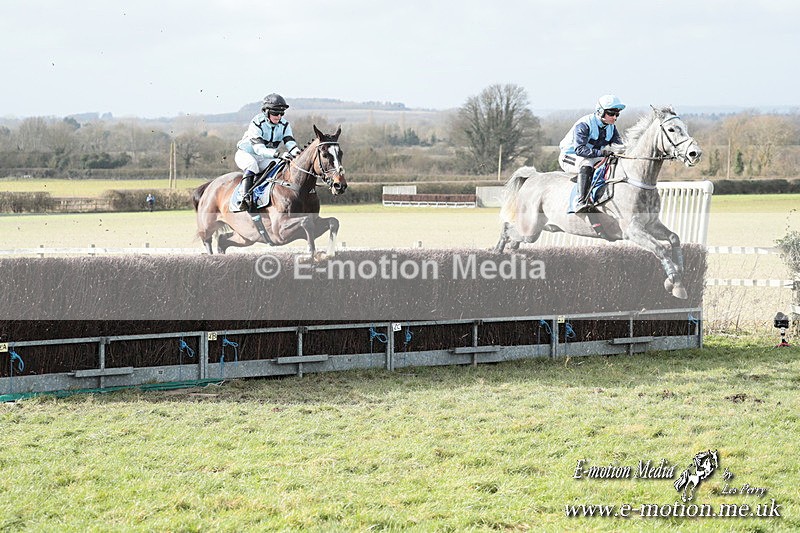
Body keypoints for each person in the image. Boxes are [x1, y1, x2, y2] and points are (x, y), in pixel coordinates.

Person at [234, 93, 301, 211]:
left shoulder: (284, 124)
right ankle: (245, 198)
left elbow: (290, 142)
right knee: (252, 165)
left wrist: (298, 154)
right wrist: (278, 154)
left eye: (281, 113)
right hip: (247, 154)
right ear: (266, 111)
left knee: (280, 166)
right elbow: (258, 149)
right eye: (275, 113)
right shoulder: (256, 123)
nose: (279, 116)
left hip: (264, 157)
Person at [559, 94, 626, 213]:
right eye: (611, 113)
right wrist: (602, 152)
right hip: (570, 156)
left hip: (593, 156)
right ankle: (581, 201)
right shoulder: (584, 124)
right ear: (600, 112)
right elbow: (579, 150)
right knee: (586, 163)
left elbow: (620, 148)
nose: (614, 117)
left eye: (617, 114)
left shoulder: (611, 127)